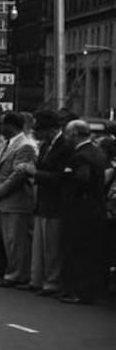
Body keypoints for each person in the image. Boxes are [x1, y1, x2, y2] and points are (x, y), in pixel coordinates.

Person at [57, 120, 108, 304]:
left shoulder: (80, 156)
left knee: (77, 250)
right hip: (95, 208)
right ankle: (87, 291)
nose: (66, 137)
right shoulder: (97, 152)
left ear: (75, 134)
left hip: (81, 210)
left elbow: (80, 181)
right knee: (90, 251)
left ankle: (78, 292)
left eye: (68, 134)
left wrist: (67, 181)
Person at [23, 109, 69, 296]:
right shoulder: (44, 147)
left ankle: (52, 281)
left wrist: (36, 173)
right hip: (42, 200)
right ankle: (37, 278)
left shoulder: (64, 147)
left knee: (51, 246)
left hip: (55, 203)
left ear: (50, 129)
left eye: (39, 130)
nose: (36, 134)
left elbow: (61, 178)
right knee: (39, 244)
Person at [0, 111, 36, 289]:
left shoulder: (25, 146)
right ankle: (13, 271)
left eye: (2, 124)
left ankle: (18, 274)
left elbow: (19, 174)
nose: (0, 127)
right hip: (4, 200)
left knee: (17, 241)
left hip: (16, 200)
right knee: (9, 240)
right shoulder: (7, 144)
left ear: (11, 125)